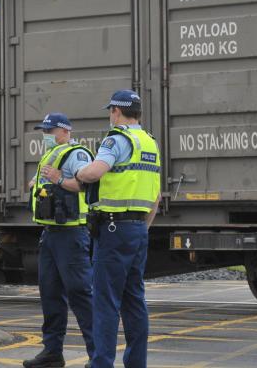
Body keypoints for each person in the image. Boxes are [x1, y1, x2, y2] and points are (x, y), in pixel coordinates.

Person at [72, 90, 161, 368]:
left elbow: (95, 172)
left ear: (116, 112)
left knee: (106, 301)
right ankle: (136, 363)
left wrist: (78, 173)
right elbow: (156, 198)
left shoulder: (116, 139)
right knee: (134, 300)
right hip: (137, 229)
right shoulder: (150, 143)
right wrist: (142, 228)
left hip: (112, 229)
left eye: (110, 111)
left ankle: (101, 363)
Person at [23, 113, 96, 368]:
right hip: (51, 234)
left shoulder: (76, 154)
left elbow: (85, 184)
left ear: (65, 131)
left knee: (79, 293)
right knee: (50, 293)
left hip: (71, 234)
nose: (46, 135)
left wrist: (57, 179)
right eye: (44, 131)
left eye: (50, 131)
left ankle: (97, 354)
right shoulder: (50, 156)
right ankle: (52, 352)